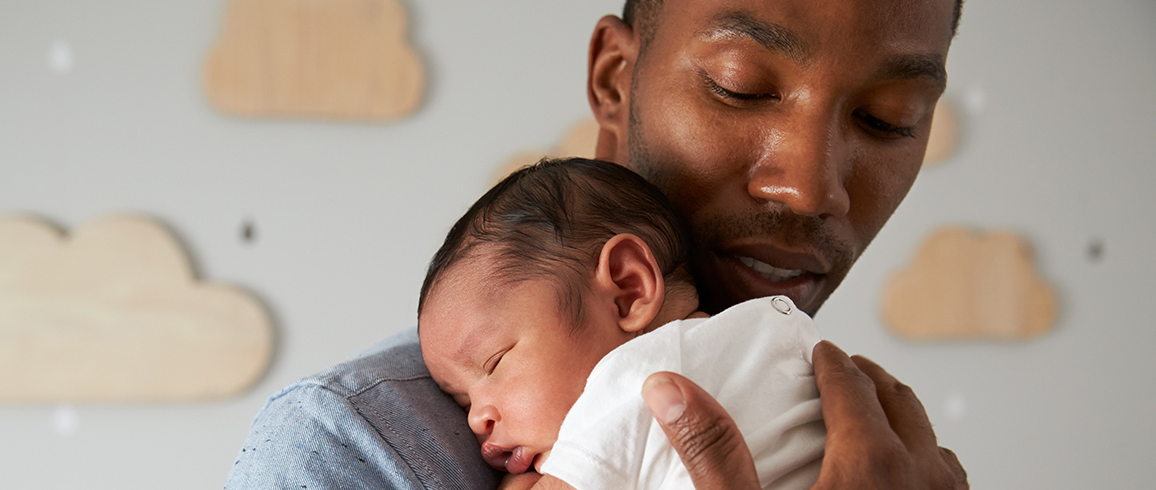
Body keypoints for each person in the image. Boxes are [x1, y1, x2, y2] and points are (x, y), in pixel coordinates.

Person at [225, 0, 969, 487]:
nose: (811, 188)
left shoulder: (877, 447)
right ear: (616, 79)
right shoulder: (351, 448)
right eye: (741, 86)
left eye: (886, 118)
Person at [418, 158, 826, 490]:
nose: (475, 420)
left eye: (494, 362)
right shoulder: (761, 341)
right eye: (464, 403)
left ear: (627, 291)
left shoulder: (635, 380)